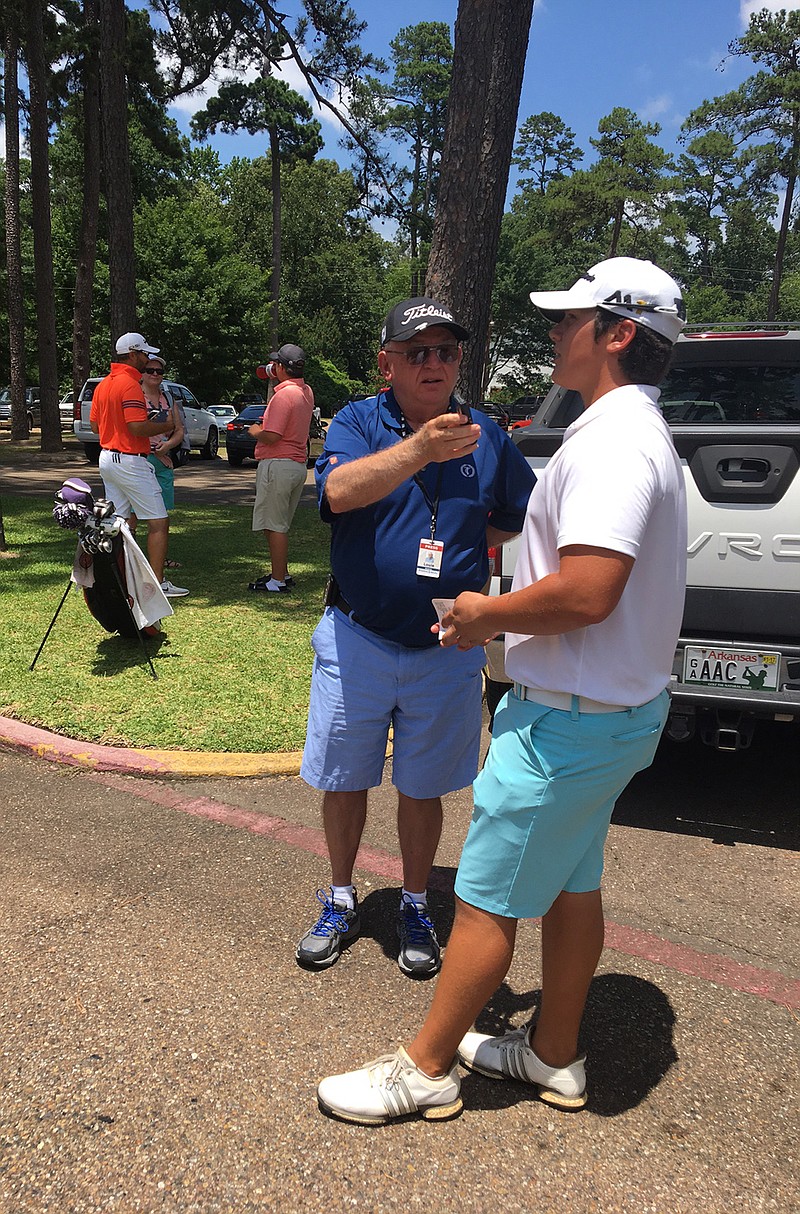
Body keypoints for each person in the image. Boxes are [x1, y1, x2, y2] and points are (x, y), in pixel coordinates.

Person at [316, 258, 688, 1124]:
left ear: (619, 334)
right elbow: (333, 494)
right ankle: (554, 1052)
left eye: (571, 320)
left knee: (485, 898)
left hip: (569, 720)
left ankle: (425, 1068)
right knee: (569, 885)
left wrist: (488, 614)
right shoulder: (630, 432)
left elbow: (590, 590)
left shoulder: (612, 443)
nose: (555, 332)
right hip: (607, 712)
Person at [297, 296, 535, 979]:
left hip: (444, 648)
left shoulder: (487, 435)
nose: (435, 363)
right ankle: (341, 898)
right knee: (344, 779)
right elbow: (339, 491)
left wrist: (458, 554)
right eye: (418, 351)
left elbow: (514, 514)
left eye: (448, 352)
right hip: (358, 639)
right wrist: (419, 450)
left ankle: (412, 903)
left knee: (423, 786)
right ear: (388, 364)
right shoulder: (356, 421)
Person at [90, 332, 185, 595]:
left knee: (119, 523)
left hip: (108, 457)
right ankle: (156, 584)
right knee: (158, 522)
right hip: (130, 460)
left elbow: (95, 425)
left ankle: (122, 578)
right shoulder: (130, 384)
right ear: (132, 355)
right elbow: (137, 427)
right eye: (144, 354)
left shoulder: (103, 384)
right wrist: (167, 424)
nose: (147, 358)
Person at [248, 344, 315, 593]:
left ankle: (277, 580)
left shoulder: (283, 395)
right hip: (296, 464)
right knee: (277, 523)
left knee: (275, 524)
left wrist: (254, 431)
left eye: (276, 363)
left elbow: (272, 436)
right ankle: (281, 572)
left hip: (278, 464)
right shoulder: (305, 391)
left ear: (281, 368)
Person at [139, 355, 188, 597]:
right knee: (132, 517)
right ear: (142, 372)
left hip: (163, 462)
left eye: (159, 371)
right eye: (150, 370)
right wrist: (154, 452)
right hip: (140, 460)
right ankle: (134, 566)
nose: (155, 375)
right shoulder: (135, 396)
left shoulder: (168, 398)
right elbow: (132, 431)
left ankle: (158, 562)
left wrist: (167, 446)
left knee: (160, 517)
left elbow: (178, 430)